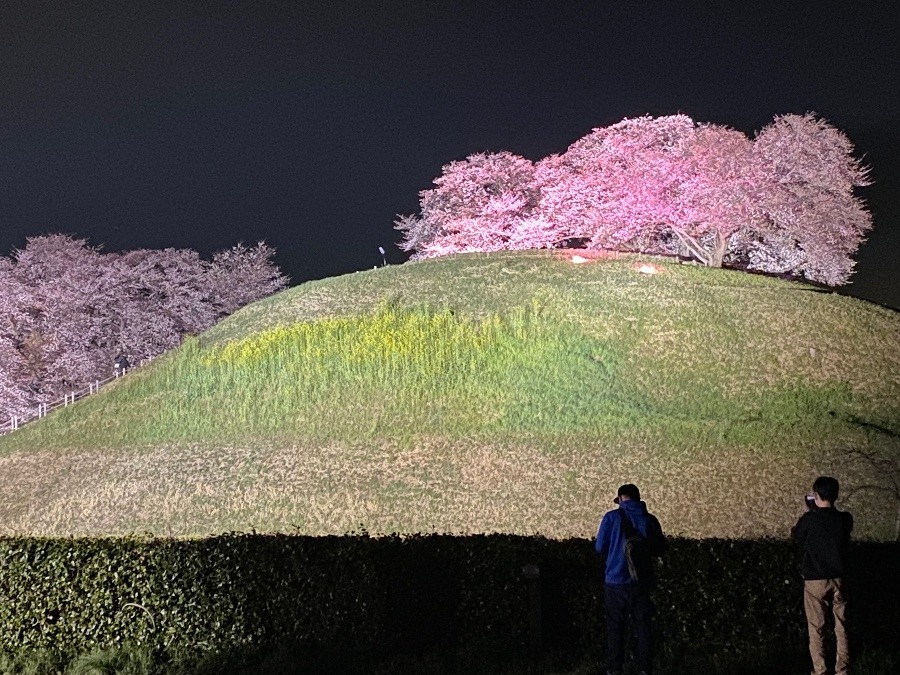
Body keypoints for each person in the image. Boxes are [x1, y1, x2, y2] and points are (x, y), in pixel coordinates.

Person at [595, 483, 667, 675]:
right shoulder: (650, 520)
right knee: (643, 627)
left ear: (620, 499)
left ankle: (614, 669)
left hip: (615, 582)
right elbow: (660, 548)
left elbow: (599, 547)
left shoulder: (611, 518)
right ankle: (644, 669)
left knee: (615, 628)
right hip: (641, 583)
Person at [792, 476, 853, 675]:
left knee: (816, 628)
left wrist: (810, 512)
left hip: (815, 580)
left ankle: (820, 671)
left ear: (816, 495)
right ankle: (842, 670)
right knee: (841, 626)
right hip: (838, 578)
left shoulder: (810, 519)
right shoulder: (845, 519)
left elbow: (797, 537)